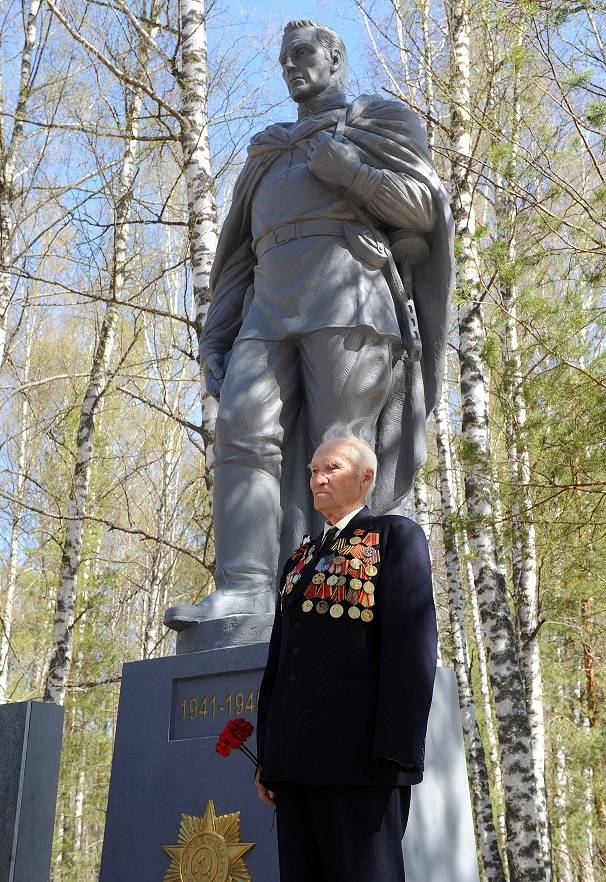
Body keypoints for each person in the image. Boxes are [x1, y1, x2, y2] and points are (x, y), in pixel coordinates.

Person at [165, 19, 453, 631]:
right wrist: (215, 338)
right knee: (241, 425)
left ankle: (341, 588)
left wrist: (352, 173)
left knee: (340, 446)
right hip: (268, 307)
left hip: (349, 296)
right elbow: (238, 258)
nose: (291, 65)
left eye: (303, 53)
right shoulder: (269, 150)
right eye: (283, 58)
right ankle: (245, 587)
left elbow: (424, 209)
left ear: (335, 58)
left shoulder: (379, 122)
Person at [255, 434, 438, 882]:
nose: (317, 479)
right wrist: (270, 757)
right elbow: (280, 662)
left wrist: (395, 753)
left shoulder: (394, 536)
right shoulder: (300, 557)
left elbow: (412, 649)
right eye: (313, 471)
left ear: (366, 477)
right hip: (295, 767)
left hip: (361, 765)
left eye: (331, 468)